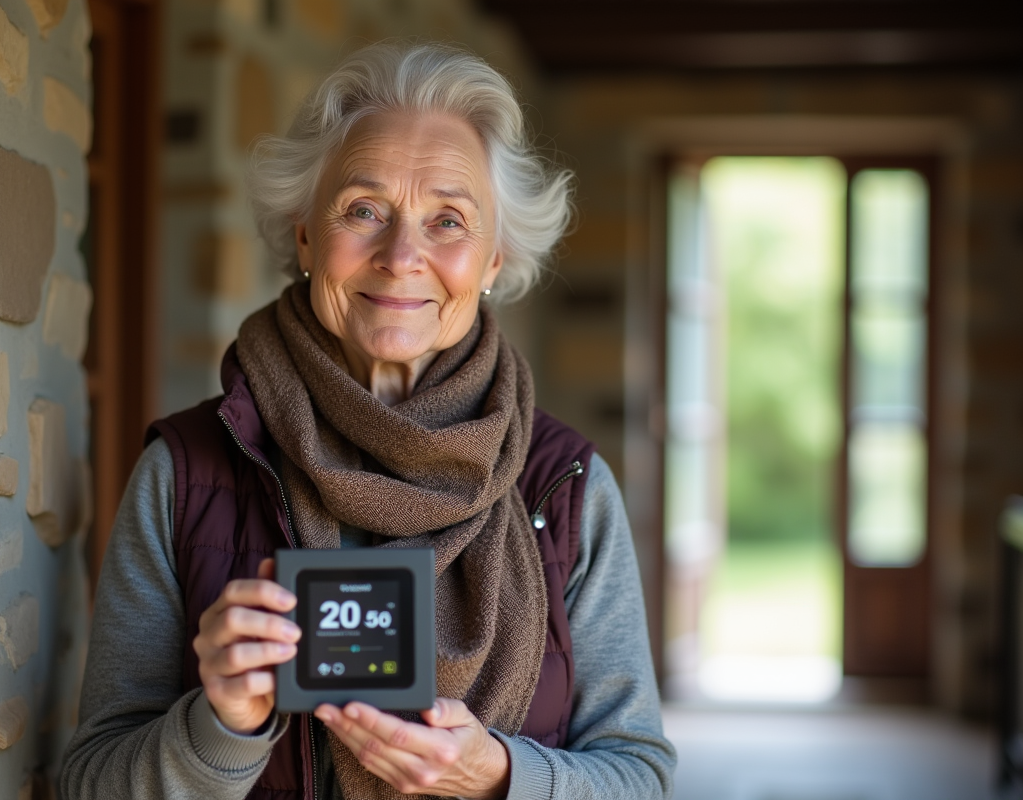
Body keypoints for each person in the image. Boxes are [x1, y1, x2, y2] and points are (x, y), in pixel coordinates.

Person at [61, 42, 676, 800]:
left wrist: (498, 776)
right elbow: (88, 783)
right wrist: (220, 727)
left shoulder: (565, 489)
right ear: (306, 234)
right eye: (363, 210)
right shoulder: (186, 472)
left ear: (492, 261)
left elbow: (637, 776)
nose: (402, 254)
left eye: (448, 220)